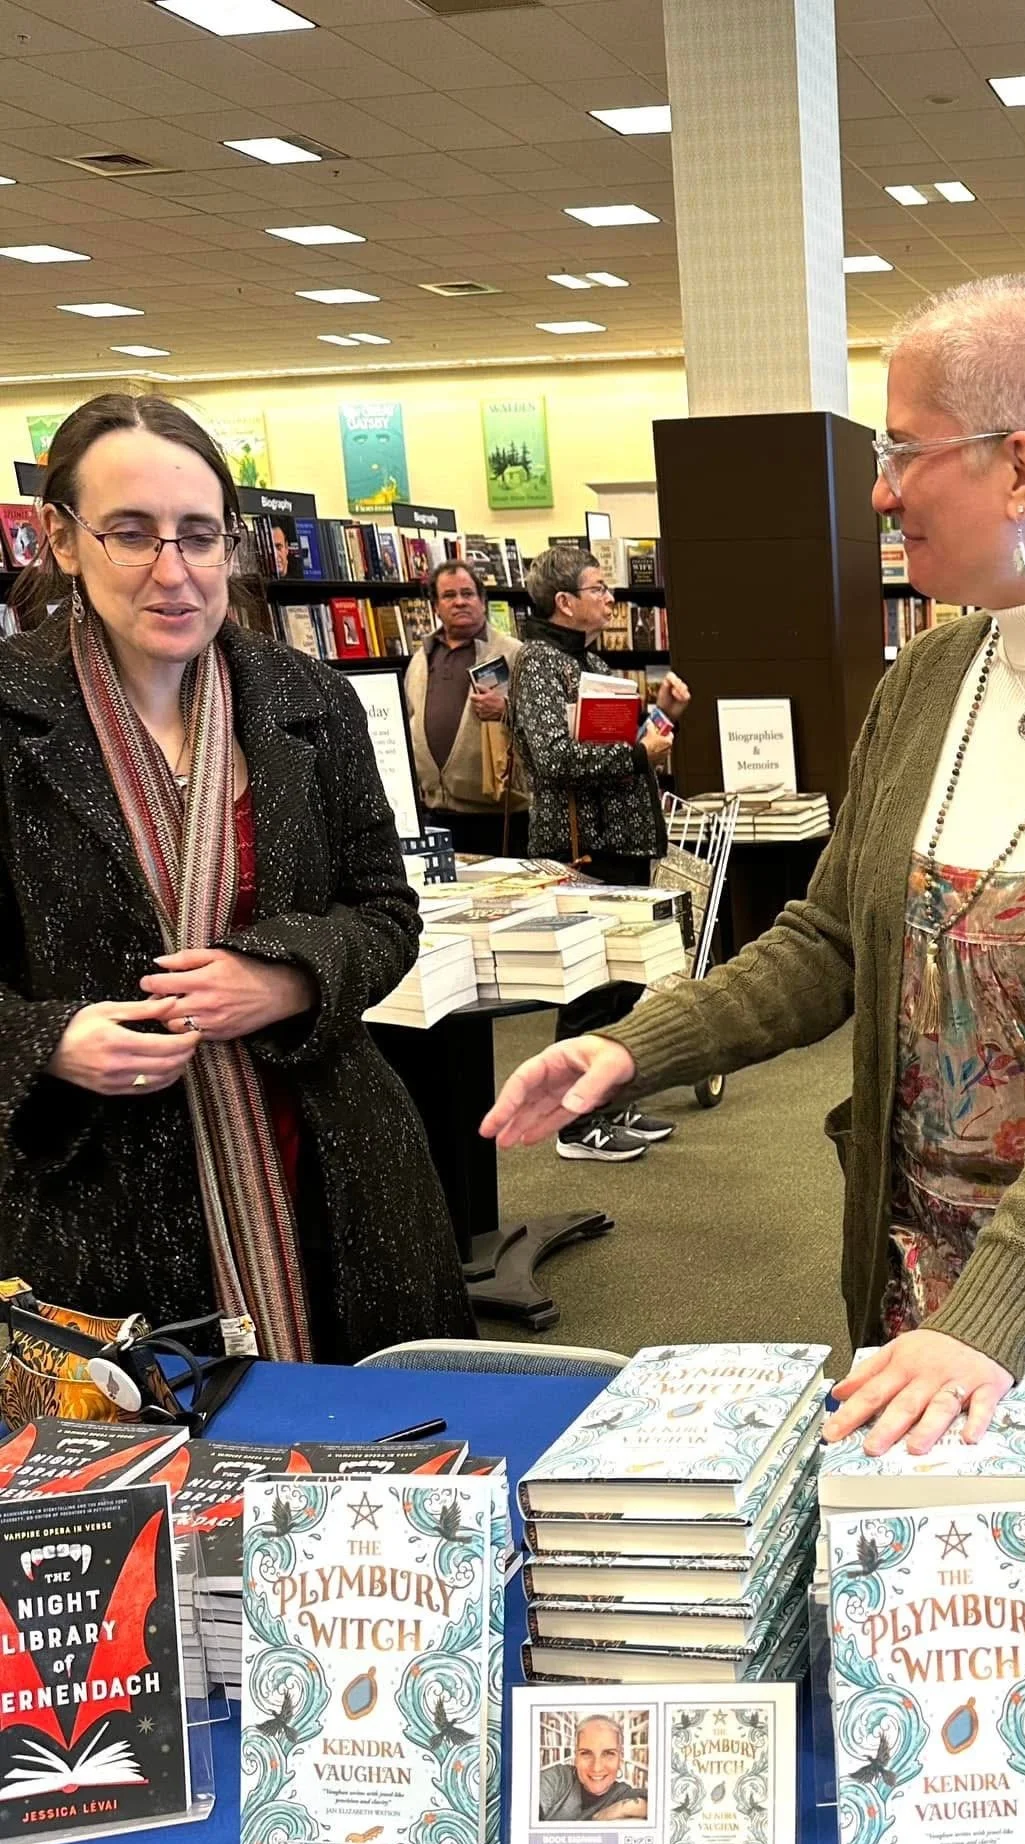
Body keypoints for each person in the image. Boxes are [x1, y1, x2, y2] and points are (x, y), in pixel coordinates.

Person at [485, 273, 1025, 1446]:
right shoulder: (926, 682)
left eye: (904, 449)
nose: (878, 488)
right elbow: (827, 944)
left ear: (1020, 468)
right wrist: (633, 1042)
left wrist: (990, 1313)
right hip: (912, 1293)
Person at [0, 393, 475, 1360]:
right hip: (94, 1186)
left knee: (372, 1456)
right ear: (60, 537)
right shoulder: (11, 722)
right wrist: (48, 1041)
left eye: (200, 536)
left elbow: (386, 912)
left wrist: (287, 977)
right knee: (157, 1481)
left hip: (333, 1168)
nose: (173, 573)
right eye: (130, 534)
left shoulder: (310, 700)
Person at [512, 544, 691, 1164]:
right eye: (597, 588)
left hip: (619, 841)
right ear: (563, 602)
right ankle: (574, 1125)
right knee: (589, 988)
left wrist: (661, 717)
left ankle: (606, 1106)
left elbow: (612, 740)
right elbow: (556, 760)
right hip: (582, 851)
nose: (610, 599)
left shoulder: (586, 658)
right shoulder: (538, 664)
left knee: (618, 984)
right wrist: (640, 755)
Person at [404, 559, 526, 857]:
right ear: (435, 606)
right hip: (437, 814)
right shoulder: (420, 658)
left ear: (483, 601)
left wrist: (506, 709)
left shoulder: (513, 653)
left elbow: (545, 723)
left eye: (468, 593)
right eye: (449, 596)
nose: (460, 602)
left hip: (499, 817)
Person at [537, 1713, 647, 1822]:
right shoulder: (558, 1778)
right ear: (576, 1757)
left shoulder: (623, 1794)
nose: (596, 1768)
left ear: (620, 1760)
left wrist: (621, 1809)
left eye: (608, 1753)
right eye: (586, 1753)